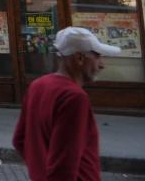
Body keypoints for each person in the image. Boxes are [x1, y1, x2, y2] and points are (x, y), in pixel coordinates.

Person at [13, 27, 120, 181]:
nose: (102, 64)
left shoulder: (38, 85)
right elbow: (64, 165)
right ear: (79, 58)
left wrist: (40, 171)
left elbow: (20, 140)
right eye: (97, 56)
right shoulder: (74, 98)